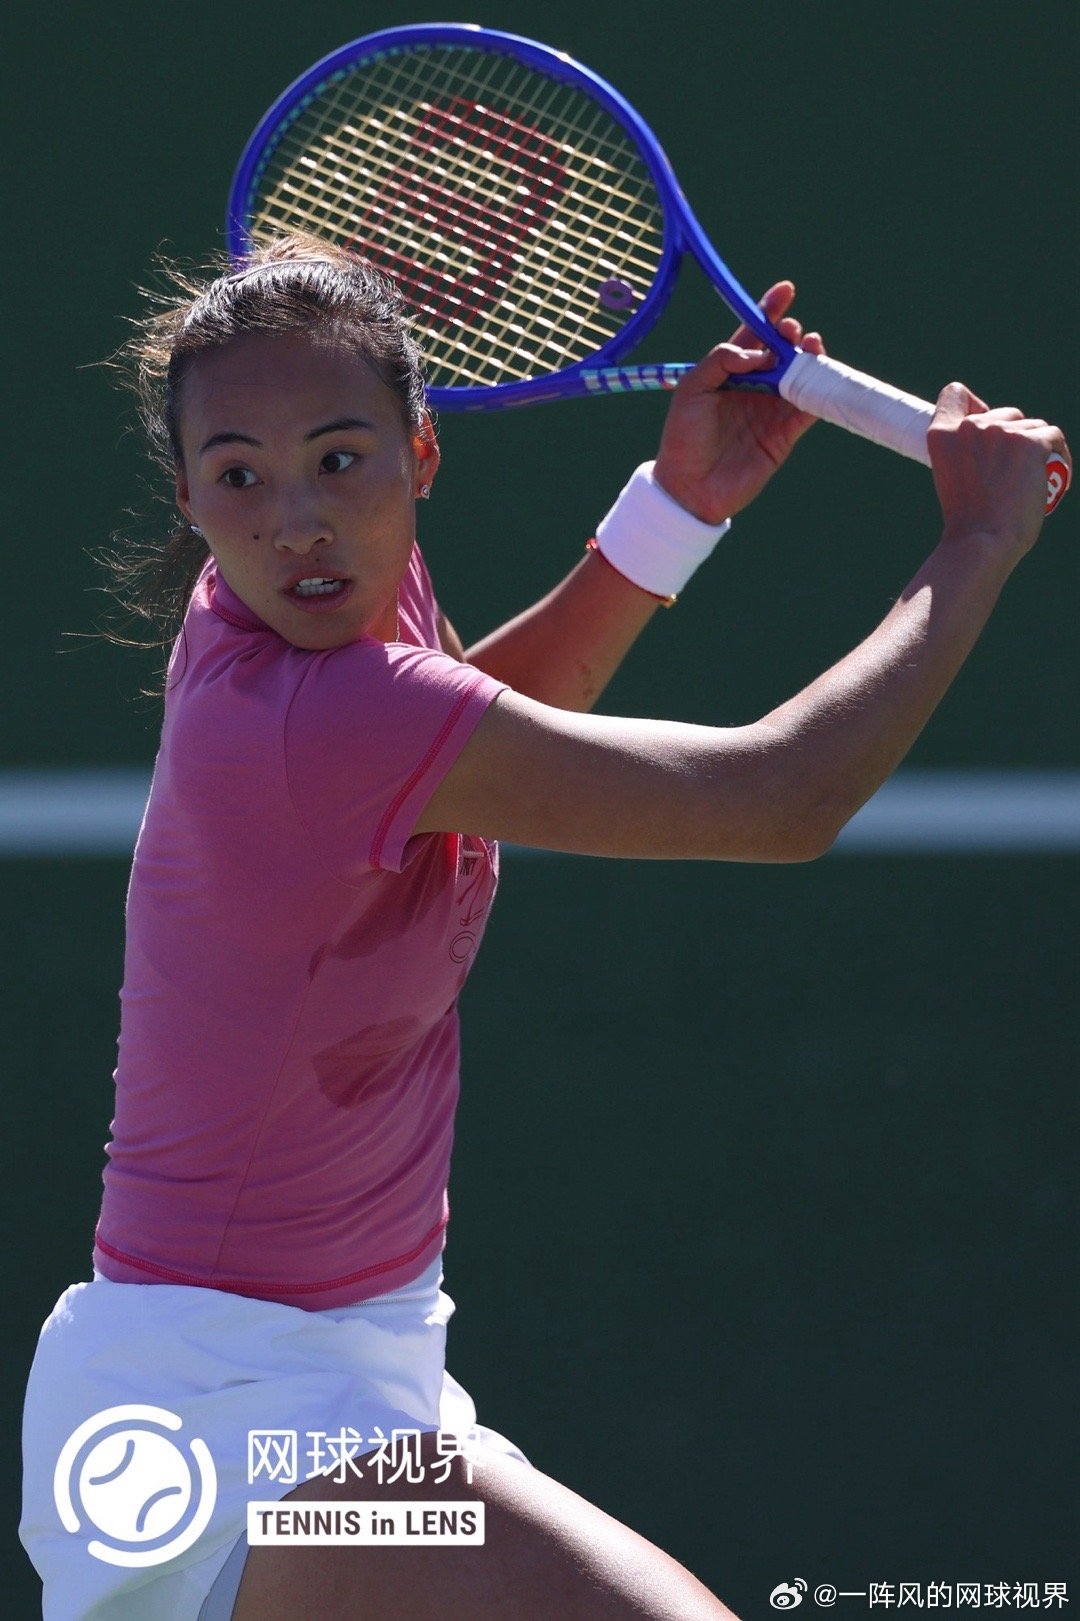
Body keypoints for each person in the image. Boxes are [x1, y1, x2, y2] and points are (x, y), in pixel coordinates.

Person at [19, 233, 1068, 1621]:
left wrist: (675, 509)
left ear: (421, 454)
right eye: (240, 478)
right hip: (225, 1416)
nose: (295, 520)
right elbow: (780, 799)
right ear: (188, 497)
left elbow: (476, 737)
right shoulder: (321, 708)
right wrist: (979, 541)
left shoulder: (320, 634)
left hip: (331, 1377)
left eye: (339, 458)